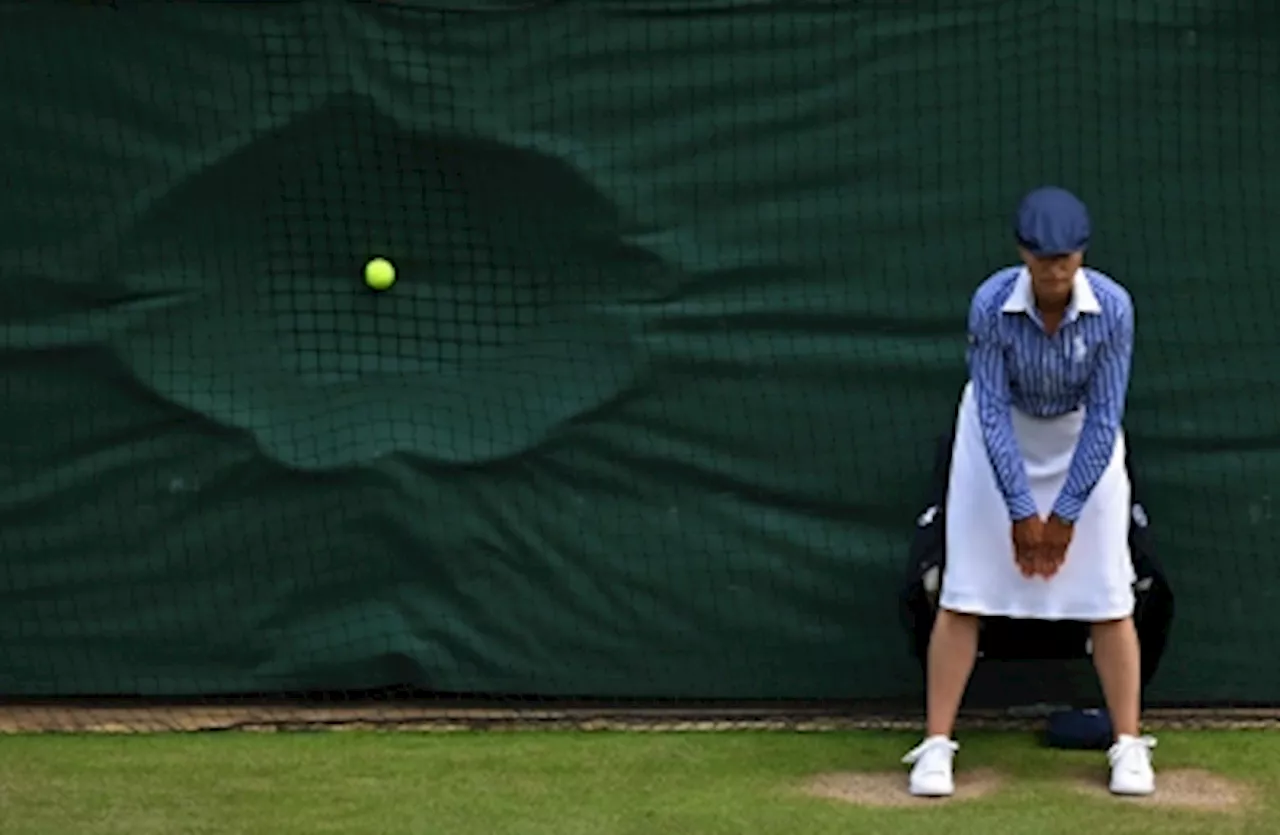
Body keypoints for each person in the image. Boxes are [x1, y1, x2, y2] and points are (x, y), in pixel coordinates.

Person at [901, 186, 1156, 797]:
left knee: (1108, 591)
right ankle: (936, 746)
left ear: (1082, 255)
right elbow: (989, 409)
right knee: (965, 590)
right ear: (1023, 253)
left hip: (1082, 439)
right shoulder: (990, 303)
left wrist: (1063, 515)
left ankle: (1128, 745)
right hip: (998, 441)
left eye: (1066, 259)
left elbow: (1104, 415)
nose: (1055, 272)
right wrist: (1021, 510)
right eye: (1044, 260)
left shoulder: (1114, 309)